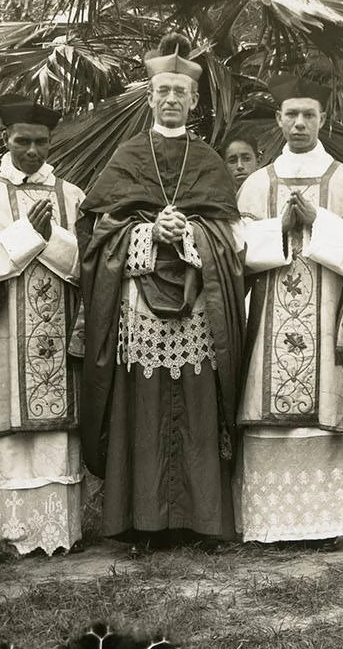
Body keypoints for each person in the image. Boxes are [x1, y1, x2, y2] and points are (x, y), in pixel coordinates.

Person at [77, 32, 247, 551]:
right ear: (150, 98)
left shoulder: (209, 161)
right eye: (163, 91)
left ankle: (200, 520)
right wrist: (148, 232)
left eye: (180, 92)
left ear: (194, 101)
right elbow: (97, 232)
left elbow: (231, 236)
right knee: (143, 404)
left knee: (196, 400)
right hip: (139, 302)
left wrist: (191, 233)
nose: (171, 99)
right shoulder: (128, 155)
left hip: (197, 302)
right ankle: (142, 522)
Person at [233, 75, 343, 548]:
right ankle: (269, 522)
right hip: (268, 321)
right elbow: (238, 253)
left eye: (308, 114)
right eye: (291, 114)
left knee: (328, 408)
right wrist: (280, 227)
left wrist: (320, 223)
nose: (299, 123)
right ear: (278, 119)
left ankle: (326, 524)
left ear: (323, 119)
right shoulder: (257, 184)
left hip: (329, 317)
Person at [0, 94, 86, 555]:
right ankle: (8, 536)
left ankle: (58, 533)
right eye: (22, 142)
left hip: (60, 329)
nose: (32, 151)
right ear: (6, 139)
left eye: (41, 143)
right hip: (4, 330)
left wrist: (51, 237)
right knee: (9, 432)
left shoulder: (73, 196)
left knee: (55, 438)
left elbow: (90, 265)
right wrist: (29, 234)